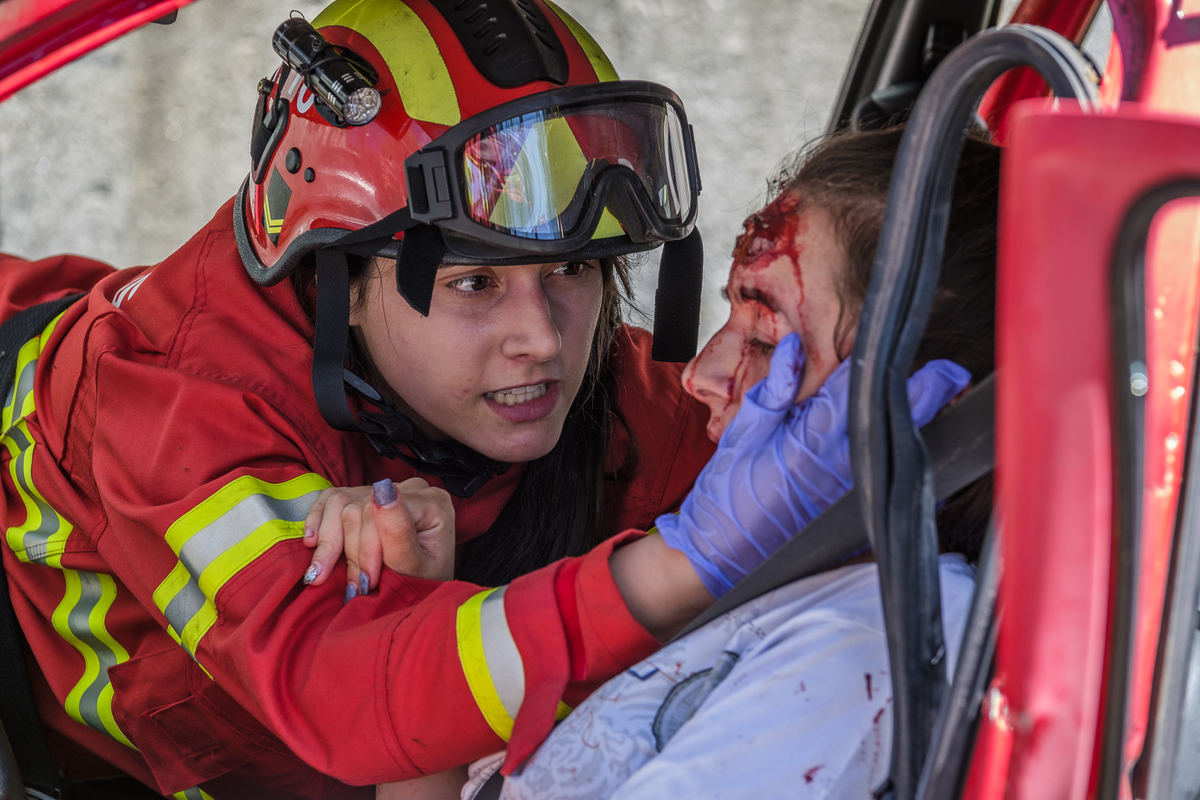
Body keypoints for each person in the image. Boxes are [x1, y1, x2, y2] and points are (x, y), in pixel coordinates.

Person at [0, 4, 971, 800]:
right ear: (337, 274)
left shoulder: (596, 390)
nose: (545, 337)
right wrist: (678, 566)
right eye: (475, 283)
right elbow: (348, 689)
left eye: (578, 270)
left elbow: (787, 504)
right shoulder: (174, 404)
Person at [446, 125, 1000, 798]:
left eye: (766, 341)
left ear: (931, 407)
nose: (699, 375)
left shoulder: (858, 654)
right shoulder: (797, 594)